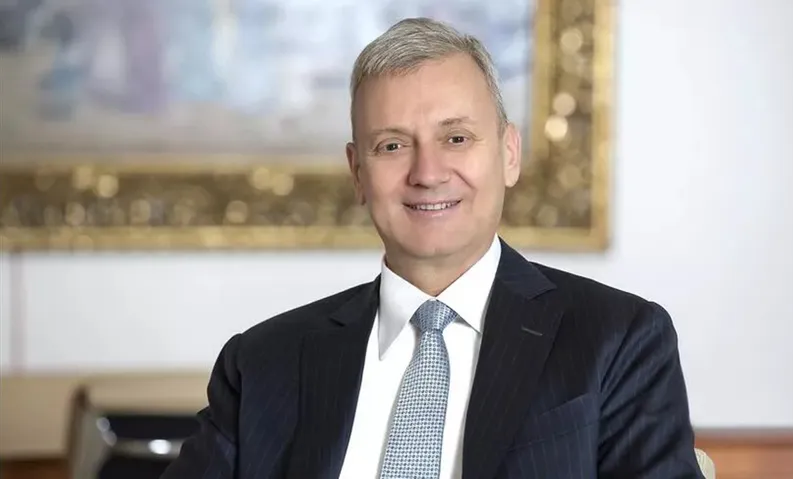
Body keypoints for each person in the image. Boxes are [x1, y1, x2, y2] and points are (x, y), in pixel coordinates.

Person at [161, 17, 703, 479]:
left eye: (456, 138)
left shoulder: (618, 340)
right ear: (357, 173)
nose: (427, 172)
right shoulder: (261, 363)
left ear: (509, 153)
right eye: (392, 145)